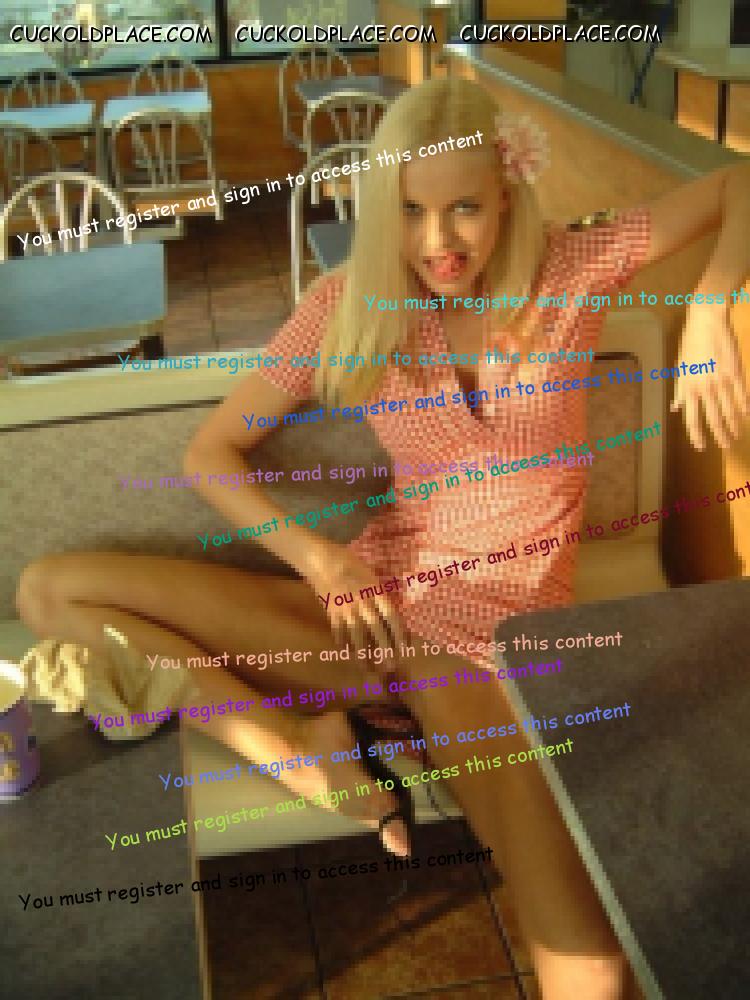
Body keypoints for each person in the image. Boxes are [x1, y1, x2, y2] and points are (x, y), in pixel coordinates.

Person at [16, 78, 749, 999]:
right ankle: (296, 748)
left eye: (465, 207)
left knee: (592, 959)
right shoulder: (346, 304)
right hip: (372, 611)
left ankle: (329, 739)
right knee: (50, 589)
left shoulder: (571, 268)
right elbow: (210, 452)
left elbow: (739, 182)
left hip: (486, 650)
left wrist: (712, 309)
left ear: (507, 193)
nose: (439, 241)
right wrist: (320, 558)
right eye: (410, 211)